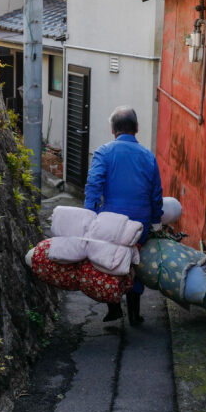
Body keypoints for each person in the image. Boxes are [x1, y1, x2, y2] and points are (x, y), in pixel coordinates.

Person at [84, 105, 163, 326]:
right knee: (134, 263)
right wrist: (156, 220)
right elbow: (156, 193)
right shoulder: (148, 157)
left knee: (109, 262)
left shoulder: (103, 153)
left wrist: (89, 213)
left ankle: (114, 307)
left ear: (113, 130)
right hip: (141, 222)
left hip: (111, 222)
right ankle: (135, 315)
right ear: (137, 128)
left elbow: (93, 185)